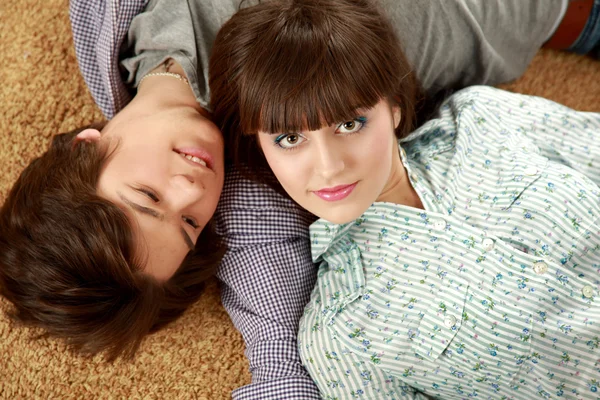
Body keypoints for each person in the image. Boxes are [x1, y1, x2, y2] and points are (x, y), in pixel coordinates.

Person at [0, 0, 597, 398]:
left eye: (146, 195)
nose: (192, 189)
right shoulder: (259, 200)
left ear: (87, 145)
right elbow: (282, 357)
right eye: (187, 225)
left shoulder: (110, 22)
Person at [208, 0, 600, 398]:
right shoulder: (341, 337)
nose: (328, 167)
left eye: (349, 123)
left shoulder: (482, 119)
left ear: (393, 106)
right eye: (290, 139)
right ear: (259, 146)